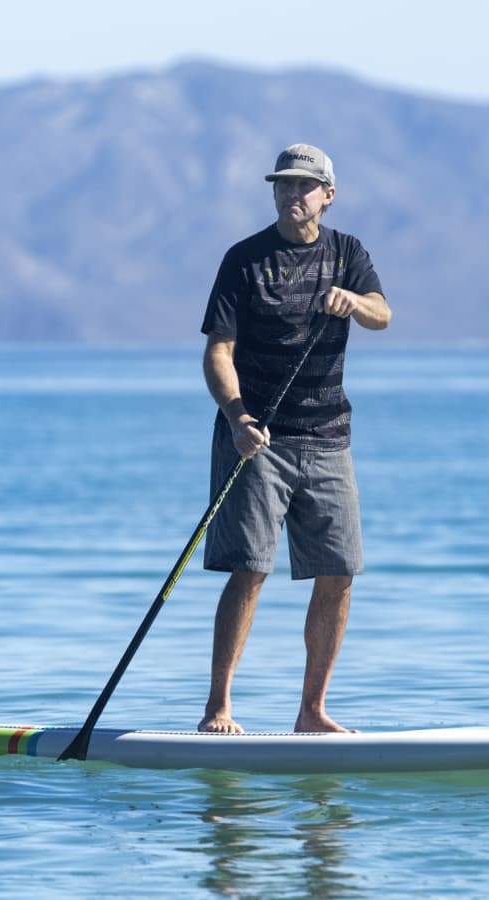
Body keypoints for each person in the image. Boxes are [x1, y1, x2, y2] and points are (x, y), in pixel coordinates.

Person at [198, 143, 391, 734]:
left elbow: (383, 313)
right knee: (250, 568)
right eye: (283, 184)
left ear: (327, 196)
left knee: (339, 572)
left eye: (305, 185)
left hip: (329, 437)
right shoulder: (245, 259)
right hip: (257, 438)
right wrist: (236, 417)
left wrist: (354, 301)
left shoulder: (348, 253)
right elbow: (217, 351)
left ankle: (312, 711)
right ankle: (219, 708)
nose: (292, 193)